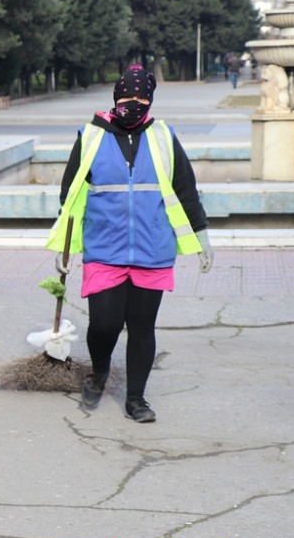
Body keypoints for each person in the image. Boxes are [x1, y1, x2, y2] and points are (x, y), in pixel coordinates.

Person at [49, 64, 213, 423]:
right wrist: (64, 248)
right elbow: (70, 195)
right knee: (104, 325)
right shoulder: (92, 136)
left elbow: (185, 188)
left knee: (142, 327)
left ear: (150, 101)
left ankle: (136, 398)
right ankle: (100, 372)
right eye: (127, 95)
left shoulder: (164, 137)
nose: (133, 103)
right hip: (104, 249)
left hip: (152, 249)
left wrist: (201, 235)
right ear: (115, 96)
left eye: (141, 97)